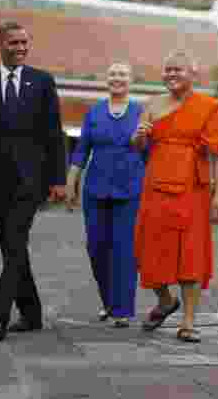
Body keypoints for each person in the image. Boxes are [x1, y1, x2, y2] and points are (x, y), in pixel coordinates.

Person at [0, 20, 68, 341]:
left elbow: (54, 133)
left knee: (13, 247)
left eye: (25, 42)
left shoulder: (42, 82)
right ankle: (32, 314)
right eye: (14, 43)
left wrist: (57, 179)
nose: (21, 48)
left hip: (32, 181)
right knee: (13, 248)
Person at [131, 49, 218, 343]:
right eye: (168, 70)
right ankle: (164, 300)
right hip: (156, 186)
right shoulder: (152, 104)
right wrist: (139, 137)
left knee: (191, 254)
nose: (172, 75)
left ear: (193, 75)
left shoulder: (207, 107)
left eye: (179, 70)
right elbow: (139, 146)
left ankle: (188, 321)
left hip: (193, 190)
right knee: (146, 248)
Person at [65, 62, 146, 327]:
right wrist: (71, 183)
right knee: (97, 248)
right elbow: (81, 151)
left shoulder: (141, 112)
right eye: (112, 74)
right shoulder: (95, 112)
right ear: (106, 79)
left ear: (131, 80)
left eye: (122, 74)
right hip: (95, 189)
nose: (117, 78)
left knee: (124, 250)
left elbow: (150, 152)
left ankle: (122, 310)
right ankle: (109, 301)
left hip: (130, 189)